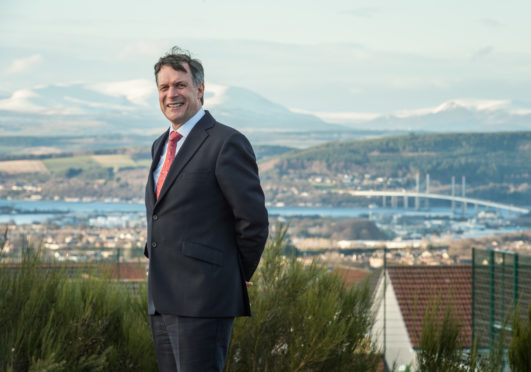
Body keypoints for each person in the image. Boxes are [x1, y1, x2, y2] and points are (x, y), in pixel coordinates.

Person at [144, 46, 269, 371]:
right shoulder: (160, 145)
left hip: (204, 298)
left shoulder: (226, 142)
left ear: (199, 89)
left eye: (180, 85)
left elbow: (253, 220)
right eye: (164, 87)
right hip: (162, 298)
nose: (172, 94)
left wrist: (235, 274)